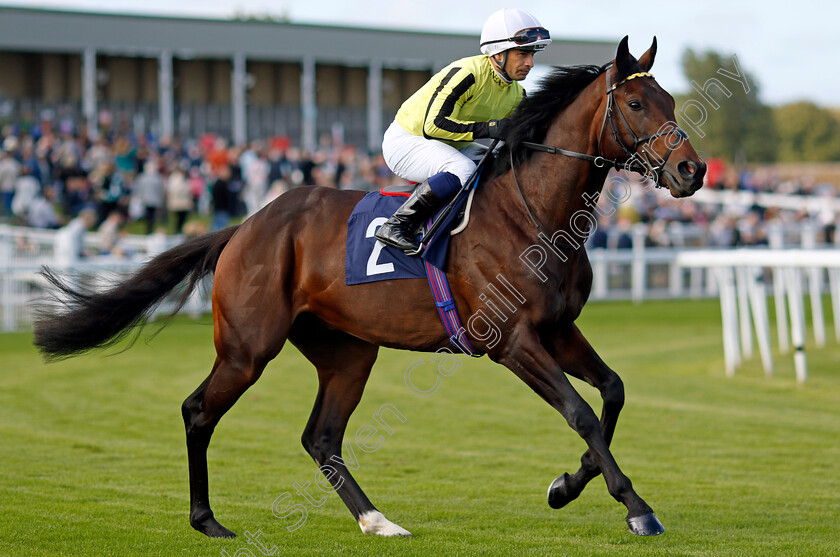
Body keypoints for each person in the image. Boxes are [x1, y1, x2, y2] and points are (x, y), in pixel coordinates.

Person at [374, 8, 551, 253]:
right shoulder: (467, 73)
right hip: (407, 141)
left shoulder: (517, 93)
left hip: (446, 145)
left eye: (531, 55)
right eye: (522, 54)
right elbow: (433, 125)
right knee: (464, 169)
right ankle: (397, 224)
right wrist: (489, 128)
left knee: (498, 162)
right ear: (498, 53)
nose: (530, 63)